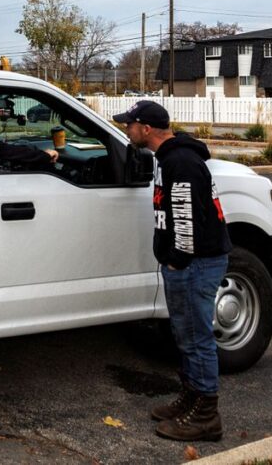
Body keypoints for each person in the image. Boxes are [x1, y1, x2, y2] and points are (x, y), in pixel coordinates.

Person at [114, 100, 231, 442]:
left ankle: (207, 416)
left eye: (129, 125)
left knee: (197, 339)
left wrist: (177, 258)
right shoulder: (168, 158)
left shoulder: (180, 161)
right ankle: (192, 398)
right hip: (189, 264)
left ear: (146, 129)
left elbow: (186, 213)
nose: (126, 129)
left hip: (196, 264)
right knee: (186, 337)